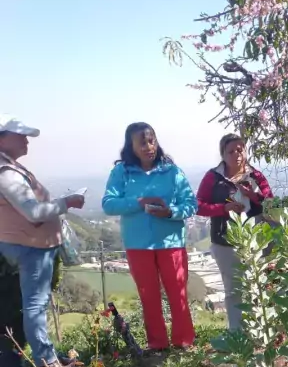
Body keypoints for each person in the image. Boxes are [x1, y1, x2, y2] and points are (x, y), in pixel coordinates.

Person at [102, 123, 198, 351]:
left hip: (171, 242)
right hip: (138, 245)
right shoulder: (121, 172)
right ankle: (157, 344)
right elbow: (108, 204)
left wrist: (171, 212)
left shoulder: (173, 172)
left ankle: (183, 342)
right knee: (149, 297)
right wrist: (137, 203)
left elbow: (191, 204)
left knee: (178, 294)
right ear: (131, 146)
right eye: (142, 142)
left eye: (151, 140)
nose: (148, 146)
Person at [0, 115, 84, 367]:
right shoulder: (6, 174)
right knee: (35, 304)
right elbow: (34, 213)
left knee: (34, 302)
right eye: (21, 136)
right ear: (3, 138)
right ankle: (47, 362)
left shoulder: (10, 168)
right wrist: (66, 202)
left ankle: (45, 355)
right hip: (31, 246)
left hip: (29, 244)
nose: (27, 141)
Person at [196, 134, 273, 331]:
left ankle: (259, 330)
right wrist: (224, 208)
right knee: (233, 289)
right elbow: (198, 205)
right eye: (231, 151)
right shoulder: (213, 177)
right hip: (225, 241)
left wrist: (252, 195)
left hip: (256, 240)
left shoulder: (255, 176)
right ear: (223, 154)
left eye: (241, 150)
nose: (237, 154)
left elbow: (269, 202)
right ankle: (237, 333)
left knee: (257, 285)